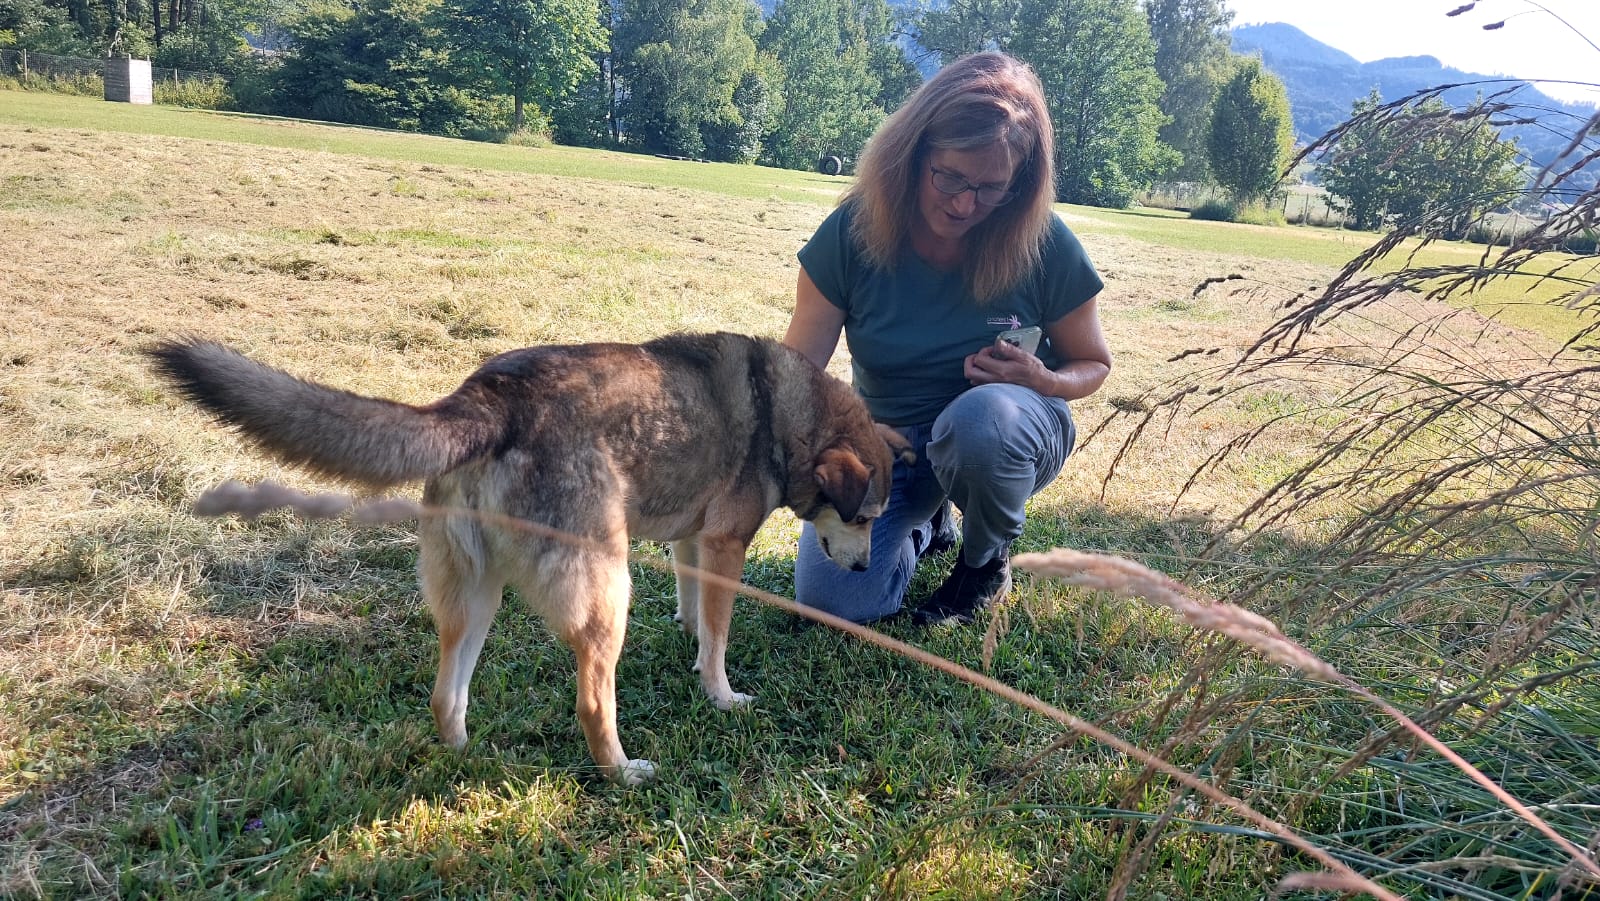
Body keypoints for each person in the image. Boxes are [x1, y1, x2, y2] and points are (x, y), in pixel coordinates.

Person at [782, 51, 1112, 626]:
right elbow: (797, 369)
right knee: (832, 604)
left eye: (991, 188)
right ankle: (926, 522)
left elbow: (1093, 363)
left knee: (980, 423)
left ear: (1020, 184)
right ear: (913, 154)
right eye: (951, 177)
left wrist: (1045, 379)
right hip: (890, 443)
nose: (965, 204)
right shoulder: (853, 232)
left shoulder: (1043, 242)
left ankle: (984, 563)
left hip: (1002, 434)